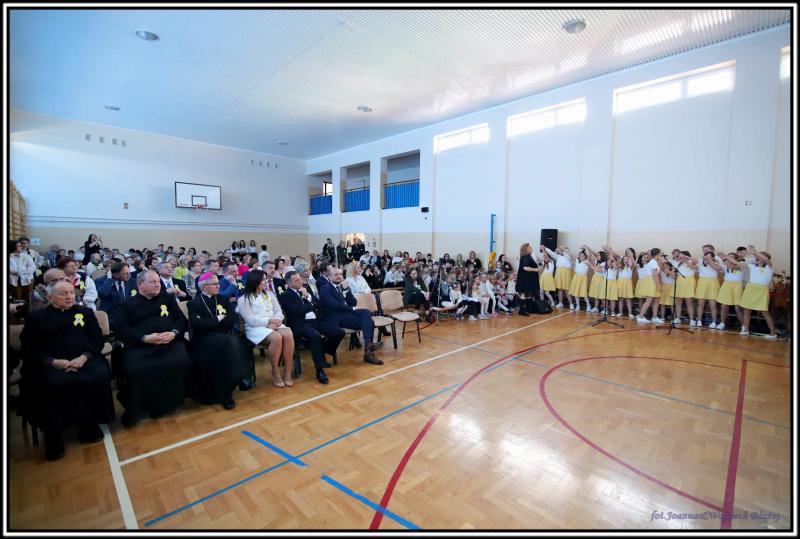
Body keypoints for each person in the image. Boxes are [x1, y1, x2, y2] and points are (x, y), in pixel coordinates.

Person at [19, 281, 115, 460]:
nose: (69, 296)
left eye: (71, 293)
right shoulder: (36, 318)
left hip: (83, 360)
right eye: (63, 293)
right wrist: (52, 362)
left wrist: (84, 357)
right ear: (50, 297)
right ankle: (54, 436)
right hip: (51, 364)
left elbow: (96, 339)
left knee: (97, 376)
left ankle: (89, 425)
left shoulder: (85, 313)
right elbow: (30, 347)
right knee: (49, 384)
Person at [114, 270, 193, 427]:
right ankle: (136, 408)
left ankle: (170, 402)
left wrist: (173, 333)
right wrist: (145, 338)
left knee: (181, 361)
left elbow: (181, 319)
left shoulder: (167, 298)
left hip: (170, 342)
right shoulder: (126, 305)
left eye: (158, 281)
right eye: (153, 282)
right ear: (140, 284)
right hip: (141, 346)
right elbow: (121, 329)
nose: (158, 285)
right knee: (137, 369)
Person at [187, 272, 247, 409]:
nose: (218, 286)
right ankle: (224, 390)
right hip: (204, 339)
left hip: (224, 334)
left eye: (218, 283)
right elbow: (197, 325)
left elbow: (232, 319)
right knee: (226, 345)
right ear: (204, 287)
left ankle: (231, 387)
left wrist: (210, 323)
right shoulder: (194, 303)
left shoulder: (223, 299)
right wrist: (218, 319)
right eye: (215, 284)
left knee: (233, 343)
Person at [279, 271, 345, 385]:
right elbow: (296, 311)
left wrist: (308, 297)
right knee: (315, 336)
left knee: (339, 332)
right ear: (289, 283)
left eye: (299, 279)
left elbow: (319, 304)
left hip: (315, 321)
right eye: (296, 280)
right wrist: (311, 305)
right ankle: (320, 371)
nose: (300, 281)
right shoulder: (285, 295)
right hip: (300, 324)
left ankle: (324, 351)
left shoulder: (305, 291)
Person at [237, 270, 296, 387]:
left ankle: (288, 371)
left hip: (274, 324)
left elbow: (278, 311)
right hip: (255, 328)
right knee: (276, 337)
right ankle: (275, 371)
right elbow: (251, 320)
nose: (266, 281)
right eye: (263, 280)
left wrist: (276, 321)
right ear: (255, 281)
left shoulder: (269, 294)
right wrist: (269, 322)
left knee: (288, 334)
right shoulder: (243, 299)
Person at [319, 265, 383, 365]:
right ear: (329, 277)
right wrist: (351, 309)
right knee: (370, 322)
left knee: (366, 312)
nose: (339, 276)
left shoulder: (342, 286)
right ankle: (368, 353)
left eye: (340, 274)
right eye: (336, 274)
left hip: (345, 313)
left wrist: (346, 289)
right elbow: (335, 306)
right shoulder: (325, 289)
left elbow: (353, 302)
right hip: (335, 317)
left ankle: (368, 347)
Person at [736, 249, 777, 338]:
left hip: (761, 291)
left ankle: (773, 333)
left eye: (759, 256)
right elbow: (738, 263)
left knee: (764, 312)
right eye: (756, 257)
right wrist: (726, 258)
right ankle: (746, 330)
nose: (757, 257)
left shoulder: (769, 266)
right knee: (747, 310)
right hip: (751, 289)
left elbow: (766, 259)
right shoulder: (752, 266)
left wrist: (755, 252)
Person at [97, 262, 138, 327]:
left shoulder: (133, 282)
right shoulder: (101, 281)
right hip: (110, 317)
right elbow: (102, 294)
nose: (129, 275)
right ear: (115, 275)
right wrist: (109, 280)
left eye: (129, 273)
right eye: (125, 274)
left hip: (129, 315)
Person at [694, 245, 724, 329]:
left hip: (712, 281)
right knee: (701, 302)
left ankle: (714, 322)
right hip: (702, 281)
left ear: (712, 250)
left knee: (712, 304)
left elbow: (718, 269)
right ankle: (699, 320)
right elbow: (695, 267)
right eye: (704, 250)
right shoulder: (701, 259)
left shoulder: (717, 258)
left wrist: (709, 260)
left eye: (707, 250)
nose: (705, 251)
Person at [716, 253, 745, 331]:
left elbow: (732, 267)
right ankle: (722, 323)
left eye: (731, 257)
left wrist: (725, 258)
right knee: (723, 306)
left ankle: (743, 325)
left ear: (736, 259)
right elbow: (717, 268)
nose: (729, 258)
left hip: (737, 285)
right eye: (728, 257)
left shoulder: (740, 264)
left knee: (737, 307)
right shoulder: (725, 265)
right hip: (726, 284)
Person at [634, 249, 664, 324]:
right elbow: (655, 275)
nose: (660, 256)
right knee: (649, 300)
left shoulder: (652, 261)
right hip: (652, 282)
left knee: (656, 300)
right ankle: (640, 317)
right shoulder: (653, 262)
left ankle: (654, 317)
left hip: (651, 281)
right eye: (660, 254)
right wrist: (659, 286)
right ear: (657, 254)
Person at [515, 243, 540, 316]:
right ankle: (522, 310)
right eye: (529, 247)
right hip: (524, 279)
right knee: (523, 294)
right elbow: (525, 268)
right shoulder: (525, 257)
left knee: (529, 294)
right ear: (525, 249)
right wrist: (535, 269)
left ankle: (528, 308)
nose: (531, 248)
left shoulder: (529, 256)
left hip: (529, 279)